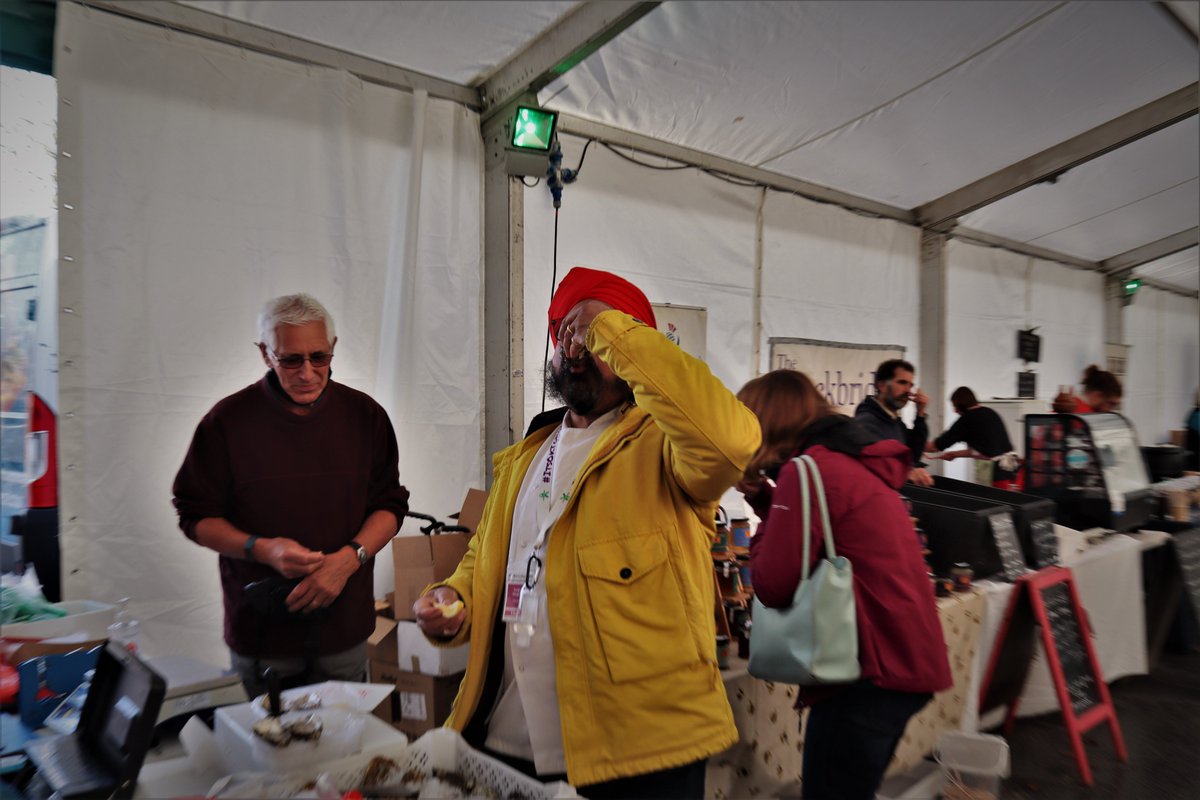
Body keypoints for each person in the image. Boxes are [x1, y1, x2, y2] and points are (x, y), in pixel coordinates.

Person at [412, 267, 761, 798]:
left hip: (636, 755)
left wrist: (610, 329)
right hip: (509, 740)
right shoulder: (527, 455)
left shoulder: (666, 448)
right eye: (564, 336)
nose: (574, 349)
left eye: (590, 336)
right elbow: (487, 560)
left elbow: (732, 442)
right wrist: (452, 600)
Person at [173, 294, 409, 695]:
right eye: (290, 360)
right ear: (266, 354)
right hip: (262, 634)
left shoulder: (365, 416)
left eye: (319, 357)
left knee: (346, 749)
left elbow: (390, 505)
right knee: (267, 749)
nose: (307, 373)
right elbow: (195, 516)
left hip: (344, 628)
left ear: (333, 348)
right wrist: (262, 550)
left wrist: (349, 559)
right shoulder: (226, 422)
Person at [737, 370, 951, 800]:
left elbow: (772, 584)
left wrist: (762, 519)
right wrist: (766, 500)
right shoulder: (847, 457)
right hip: (901, 660)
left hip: (868, 674)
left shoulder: (806, 469)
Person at [854, 358, 932, 486]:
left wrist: (920, 415)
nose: (908, 390)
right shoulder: (867, 422)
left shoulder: (892, 420)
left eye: (910, 385)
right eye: (902, 383)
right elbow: (875, 468)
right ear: (882, 386)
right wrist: (909, 472)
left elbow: (913, 455)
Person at [926, 387, 1020, 488]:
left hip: (996, 475)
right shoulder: (990, 412)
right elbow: (982, 450)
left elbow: (934, 447)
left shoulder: (966, 420)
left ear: (960, 404)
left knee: (994, 501)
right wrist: (954, 454)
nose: (955, 410)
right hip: (1013, 471)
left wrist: (914, 442)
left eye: (955, 406)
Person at [1052, 364, 1122, 413]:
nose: (1110, 410)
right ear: (1097, 396)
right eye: (1111, 404)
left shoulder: (1066, 406)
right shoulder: (1086, 417)